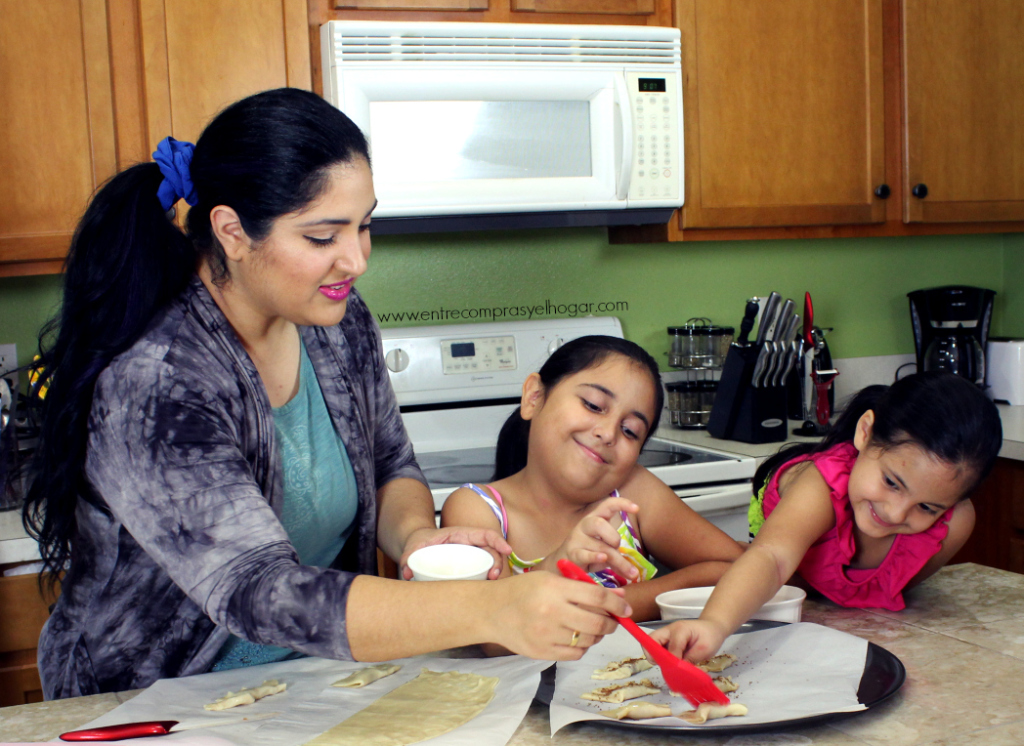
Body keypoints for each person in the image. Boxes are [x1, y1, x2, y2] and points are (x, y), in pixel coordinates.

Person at [18, 88, 629, 699]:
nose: (356, 259)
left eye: (364, 227)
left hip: (314, 682)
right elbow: (257, 592)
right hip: (155, 702)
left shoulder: (336, 321)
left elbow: (391, 464)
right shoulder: (158, 381)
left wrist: (415, 539)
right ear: (231, 232)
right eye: (322, 237)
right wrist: (491, 609)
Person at [650, 371, 1002, 663]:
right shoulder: (821, 483)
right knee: (721, 569)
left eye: (927, 507)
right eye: (892, 482)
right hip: (784, 544)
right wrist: (713, 624)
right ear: (864, 433)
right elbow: (772, 558)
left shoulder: (953, 524)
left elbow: (893, 585)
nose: (896, 513)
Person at [440, 335, 746, 626]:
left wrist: (612, 603)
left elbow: (739, 570)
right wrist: (565, 571)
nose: (608, 433)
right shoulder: (476, 509)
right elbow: (494, 629)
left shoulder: (632, 493)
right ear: (534, 397)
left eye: (630, 431)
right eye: (593, 405)